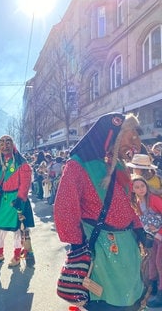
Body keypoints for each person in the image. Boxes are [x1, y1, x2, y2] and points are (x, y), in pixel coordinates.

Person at [54, 112, 147, 310]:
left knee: (130, 300)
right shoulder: (78, 165)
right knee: (106, 301)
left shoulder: (117, 165)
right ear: (112, 134)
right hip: (101, 251)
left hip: (127, 250)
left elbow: (126, 204)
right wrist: (78, 246)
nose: (135, 145)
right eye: (130, 137)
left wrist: (138, 228)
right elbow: (65, 208)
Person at [0, 135, 35, 268]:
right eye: (1, 143)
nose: (4, 146)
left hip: (15, 200)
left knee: (17, 230)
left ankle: (17, 255)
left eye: (8, 143)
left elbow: (25, 183)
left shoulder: (22, 164)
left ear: (12, 145)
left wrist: (20, 198)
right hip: (1, 200)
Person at [131, 175, 162, 307]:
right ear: (132, 189)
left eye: (142, 186)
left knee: (159, 263)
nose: (141, 189)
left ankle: (160, 294)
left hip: (160, 235)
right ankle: (153, 289)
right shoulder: (137, 203)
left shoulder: (154, 199)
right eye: (137, 187)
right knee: (152, 262)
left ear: (146, 186)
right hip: (154, 237)